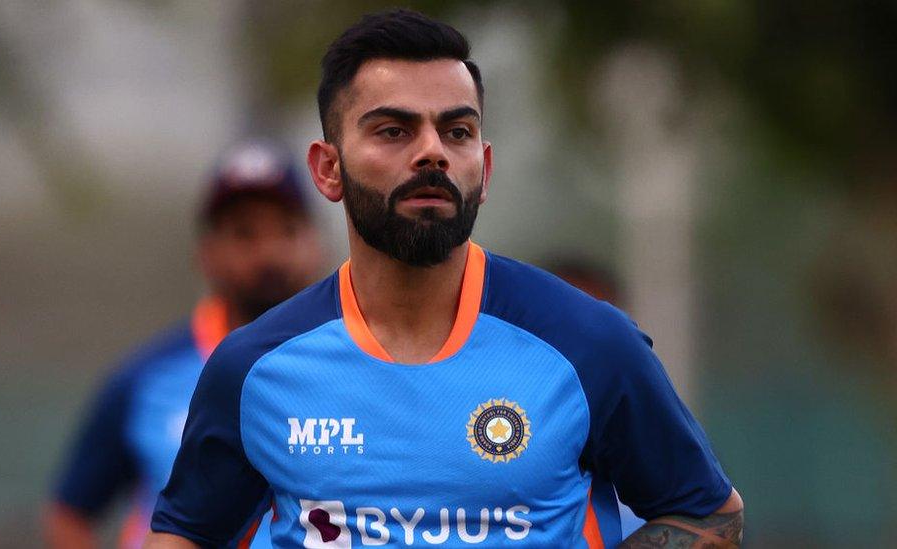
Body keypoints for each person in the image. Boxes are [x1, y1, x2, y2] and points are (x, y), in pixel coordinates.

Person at [146, 9, 743, 548]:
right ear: (328, 169)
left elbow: (709, 517)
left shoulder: (589, 343)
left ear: (482, 169)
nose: (431, 152)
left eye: (456, 131)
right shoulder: (254, 368)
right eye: (393, 130)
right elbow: (185, 536)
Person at [45, 141, 322, 548]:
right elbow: (69, 514)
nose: (268, 254)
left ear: (316, 244)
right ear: (205, 254)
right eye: (244, 234)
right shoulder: (146, 378)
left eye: (286, 230)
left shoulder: (350, 365)